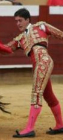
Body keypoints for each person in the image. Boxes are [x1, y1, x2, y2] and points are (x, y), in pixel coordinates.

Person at [5, 8, 63, 138]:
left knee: (36, 93)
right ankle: (60, 125)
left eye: (20, 20)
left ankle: (29, 129)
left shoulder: (41, 26)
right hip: (38, 65)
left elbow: (60, 34)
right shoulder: (19, 39)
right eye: (16, 21)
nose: (18, 23)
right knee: (49, 96)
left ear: (27, 20)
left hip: (44, 61)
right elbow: (5, 49)